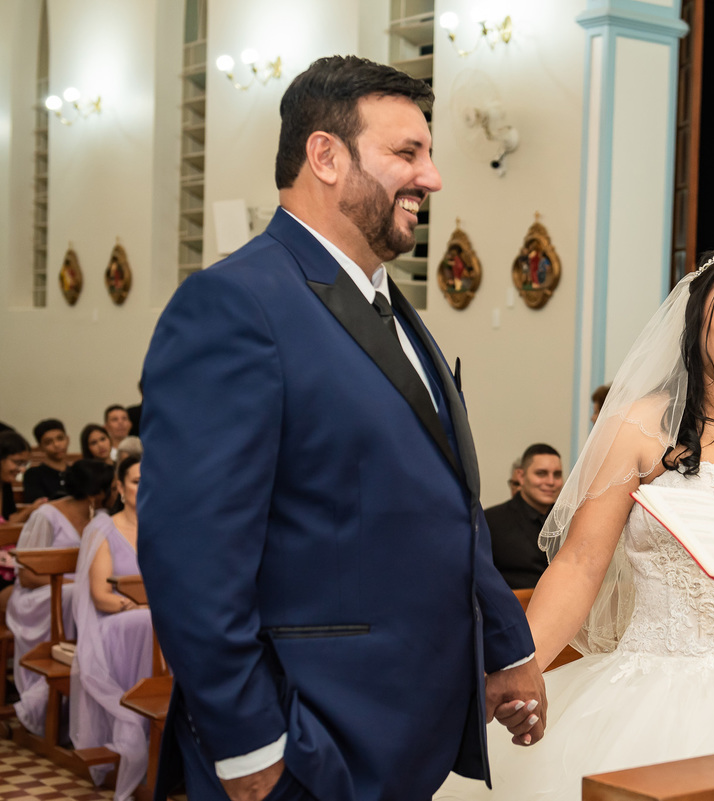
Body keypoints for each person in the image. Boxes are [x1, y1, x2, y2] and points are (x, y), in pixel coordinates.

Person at [139, 55, 543, 801]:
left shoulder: (392, 309)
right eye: (407, 153)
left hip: (400, 734)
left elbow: (448, 504)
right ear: (324, 155)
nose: (432, 177)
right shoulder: (235, 305)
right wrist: (250, 743)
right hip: (309, 740)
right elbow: (192, 558)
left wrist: (506, 648)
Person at [437, 237, 714, 800]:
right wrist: (518, 668)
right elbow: (581, 563)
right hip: (657, 694)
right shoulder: (641, 427)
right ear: (697, 314)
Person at [8, 458, 115, 735]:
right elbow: (27, 575)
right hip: (39, 597)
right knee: (78, 595)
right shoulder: (45, 516)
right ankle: (46, 692)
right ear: (96, 492)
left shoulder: (101, 518)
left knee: (96, 595)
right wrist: (76, 582)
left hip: (73, 595)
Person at [71, 454, 154, 801]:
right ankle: (142, 723)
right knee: (147, 621)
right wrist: (136, 605)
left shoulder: (163, 525)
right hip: (114, 623)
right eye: (136, 481)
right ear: (120, 487)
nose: (145, 487)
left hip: (151, 618)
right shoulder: (102, 528)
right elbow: (100, 595)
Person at [484, 444, 564, 589]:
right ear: (521, 476)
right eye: (541, 473)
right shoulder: (491, 521)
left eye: (557, 474)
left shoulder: (570, 520)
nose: (551, 482)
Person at [22, 418, 71, 503]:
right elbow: (38, 506)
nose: (56, 445)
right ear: (40, 447)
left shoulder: (77, 472)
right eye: (48, 442)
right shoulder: (33, 475)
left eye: (60, 438)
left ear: (67, 439)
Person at [1, 430, 44, 526]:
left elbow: (9, 522)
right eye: (17, 462)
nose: (21, 469)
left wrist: (32, 509)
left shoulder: (5, 485)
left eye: (24, 464)